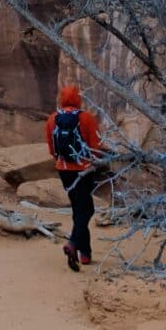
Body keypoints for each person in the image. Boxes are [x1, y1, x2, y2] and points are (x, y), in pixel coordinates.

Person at [45, 84, 103, 272]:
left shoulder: (53, 119)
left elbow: (52, 150)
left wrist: (63, 161)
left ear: (62, 99)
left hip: (63, 169)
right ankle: (73, 243)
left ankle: (85, 254)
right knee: (86, 210)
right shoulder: (87, 118)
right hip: (84, 169)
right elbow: (96, 147)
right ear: (78, 98)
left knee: (79, 209)